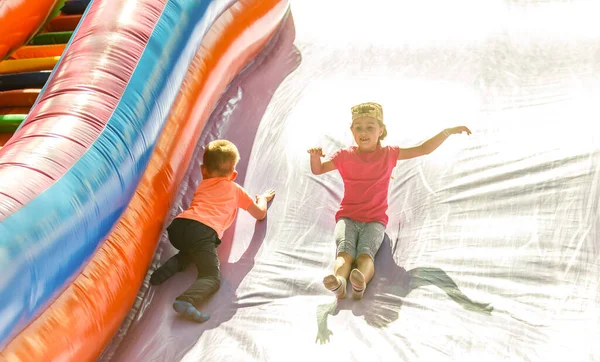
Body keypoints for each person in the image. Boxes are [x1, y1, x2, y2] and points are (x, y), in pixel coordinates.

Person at [308, 102, 471, 300]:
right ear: (352, 130)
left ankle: (360, 284)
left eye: (370, 127)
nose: (363, 132)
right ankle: (340, 284)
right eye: (358, 127)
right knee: (344, 254)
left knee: (365, 256)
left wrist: (447, 131)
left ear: (381, 130)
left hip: (375, 220)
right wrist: (315, 157)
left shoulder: (389, 154)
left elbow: (423, 149)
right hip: (347, 217)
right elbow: (318, 169)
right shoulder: (344, 156)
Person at [150, 139, 275, 322]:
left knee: (192, 250)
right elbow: (260, 214)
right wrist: (262, 198)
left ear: (203, 170)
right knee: (211, 277)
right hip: (203, 232)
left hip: (178, 228)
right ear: (233, 175)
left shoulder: (203, 184)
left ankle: (165, 271)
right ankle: (186, 300)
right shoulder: (235, 189)